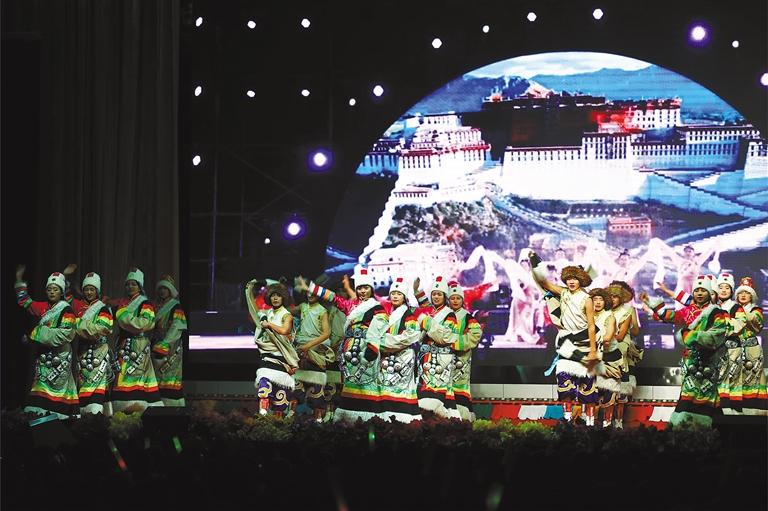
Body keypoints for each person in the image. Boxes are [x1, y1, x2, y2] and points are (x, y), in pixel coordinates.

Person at [296, 268, 388, 422]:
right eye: (360, 288)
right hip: (349, 351)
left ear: (371, 289)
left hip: (366, 350)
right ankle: (350, 418)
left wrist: (371, 349)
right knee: (350, 384)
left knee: (366, 384)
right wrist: (311, 288)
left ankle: (370, 419)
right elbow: (334, 298)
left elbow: (379, 329)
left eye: (366, 288)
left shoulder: (378, 307)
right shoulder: (351, 306)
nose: (363, 291)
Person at [640, 275, 731, 426]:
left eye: (703, 290)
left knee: (706, 391)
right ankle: (686, 425)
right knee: (688, 391)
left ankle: (706, 425)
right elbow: (670, 316)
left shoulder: (717, 312)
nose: (699, 293)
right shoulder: (688, 311)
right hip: (691, 359)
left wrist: (689, 336)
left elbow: (717, 335)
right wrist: (650, 301)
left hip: (709, 359)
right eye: (697, 290)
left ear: (710, 293)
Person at [529, 252, 599, 422]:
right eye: (569, 279)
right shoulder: (563, 293)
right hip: (566, 344)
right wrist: (535, 261)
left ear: (581, 280)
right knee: (564, 382)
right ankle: (567, 420)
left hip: (584, 344)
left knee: (588, 388)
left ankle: (590, 423)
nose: (571, 282)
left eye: (575, 279)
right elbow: (544, 283)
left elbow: (591, 326)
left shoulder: (587, 299)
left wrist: (593, 350)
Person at [14, 266, 79, 418]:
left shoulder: (66, 310)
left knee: (58, 390)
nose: (52, 292)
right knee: (40, 391)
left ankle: (61, 421)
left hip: (60, 357)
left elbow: (65, 334)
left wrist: (37, 333)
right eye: (49, 289)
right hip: (44, 359)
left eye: (55, 289)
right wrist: (19, 280)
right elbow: (25, 302)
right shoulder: (43, 308)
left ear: (62, 292)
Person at [111, 268, 163, 412]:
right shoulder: (123, 303)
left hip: (138, 346)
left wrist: (122, 314)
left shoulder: (145, 304)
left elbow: (142, 324)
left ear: (140, 286)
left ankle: (137, 408)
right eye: (128, 284)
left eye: (134, 284)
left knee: (138, 377)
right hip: (124, 345)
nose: (130, 287)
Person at [246, 280, 298, 417]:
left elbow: (285, 330)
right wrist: (249, 291)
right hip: (267, 358)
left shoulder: (287, 315)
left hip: (282, 359)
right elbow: (254, 311)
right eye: (273, 295)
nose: (275, 298)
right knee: (264, 387)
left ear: (283, 298)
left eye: (278, 295)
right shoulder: (267, 313)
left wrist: (269, 325)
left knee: (280, 400)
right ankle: (262, 416)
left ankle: (278, 423)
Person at [414, 276, 461, 418]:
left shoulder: (449, 314)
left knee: (437, 391)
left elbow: (445, 337)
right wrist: (417, 290)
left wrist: (426, 322)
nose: (436, 297)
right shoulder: (430, 310)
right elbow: (423, 303)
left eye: (439, 294)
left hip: (441, 360)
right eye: (434, 294)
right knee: (423, 390)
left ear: (444, 296)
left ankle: (441, 420)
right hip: (425, 359)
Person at [378, 277, 422, 423]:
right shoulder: (386, 314)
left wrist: (386, 341)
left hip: (404, 357)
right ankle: (386, 421)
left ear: (404, 297)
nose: (395, 296)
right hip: (386, 357)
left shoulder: (409, 314)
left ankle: (404, 421)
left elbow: (412, 334)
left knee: (401, 388)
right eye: (393, 293)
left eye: (399, 294)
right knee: (386, 387)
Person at [73, 272, 115, 414]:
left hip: (99, 353)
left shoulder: (103, 308)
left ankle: (96, 416)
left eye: (92, 289)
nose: (89, 292)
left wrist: (77, 324)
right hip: (82, 354)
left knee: (97, 389)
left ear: (97, 291)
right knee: (82, 387)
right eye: (86, 289)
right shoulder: (79, 308)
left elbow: (100, 329)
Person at [291, 290, 333, 421]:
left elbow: (326, 333)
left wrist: (308, 346)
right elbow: (287, 311)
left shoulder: (322, 311)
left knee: (317, 389)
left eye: (313, 293)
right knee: (295, 388)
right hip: (300, 350)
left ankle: (318, 421)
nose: (310, 295)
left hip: (315, 351)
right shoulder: (303, 306)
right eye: (308, 293)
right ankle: (289, 418)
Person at [447, 282, 483, 421]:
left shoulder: (467, 317)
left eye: (458, 298)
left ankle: (463, 419)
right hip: (445, 361)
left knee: (460, 388)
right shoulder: (445, 315)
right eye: (452, 298)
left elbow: (476, 334)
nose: (455, 301)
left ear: (462, 300)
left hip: (461, 360)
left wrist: (455, 343)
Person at [731, 277, 766, 415]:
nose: (743, 295)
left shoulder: (756, 310)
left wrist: (740, 311)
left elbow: (757, 323)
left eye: (747, 292)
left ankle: (753, 410)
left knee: (752, 377)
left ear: (752, 295)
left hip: (751, 349)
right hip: (734, 349)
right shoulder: (731, 309)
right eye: (740, 292)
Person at [151, 275, 188, 407]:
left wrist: (166, 342)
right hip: (155, 344)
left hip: (171, 346)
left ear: (170, 291)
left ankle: (172, 404)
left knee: (170, 375)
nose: (162, 291)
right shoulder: (155, 306)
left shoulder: (175, 306)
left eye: (165, 289)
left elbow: (177, 326)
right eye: (160, 288)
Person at [607, 282, 638, 428]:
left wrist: (626, 325)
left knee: (622, 387)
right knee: (606, 388)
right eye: (610, 296)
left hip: (622, 350)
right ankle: (605, 421)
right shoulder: (603, 311)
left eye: (615, 296)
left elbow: (633, 332)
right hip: (605, 351)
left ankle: (618, 421)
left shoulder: (628, 310)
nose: (612, 299)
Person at [591, 288, 619, 428]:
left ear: (605, 301)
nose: (597, 302)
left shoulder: (609, 316)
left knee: (609, 392)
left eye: (600, 299)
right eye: (595, 299)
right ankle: (590, 424)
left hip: (609, 358)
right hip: (591, 357)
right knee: (590, 392)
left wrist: (587, 340)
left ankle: (607, 425)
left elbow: (607, 337)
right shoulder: (586, 316)